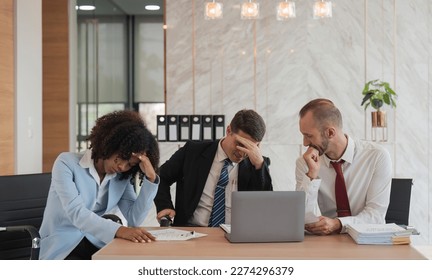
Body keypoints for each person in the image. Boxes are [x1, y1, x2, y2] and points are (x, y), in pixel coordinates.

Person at [39, 110, 160, 260]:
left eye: (130, 164)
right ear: (109, 144)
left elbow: (134, 218)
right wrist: (119, 230)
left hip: (96, 242)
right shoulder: (66, 163)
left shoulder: (120, 177)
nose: (122, 166)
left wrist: (150, 178)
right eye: (121, 158)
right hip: (63, 244)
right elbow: (77, 214)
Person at [154, 109, 273, 226]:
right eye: (240, 144)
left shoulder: (258, 165)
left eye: (250, 147)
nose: (242, 153)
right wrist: (164, 206)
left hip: (236, 234)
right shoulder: (193, 152)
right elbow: (161, 177)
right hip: (193, 231)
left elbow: (266, 206)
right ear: (228, 130)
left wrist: (259, 165)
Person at [295, 98, 392, 235]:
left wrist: (338, 224)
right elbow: (302, 218)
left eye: (309, 136)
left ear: (330, 133)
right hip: (330, 244)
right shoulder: (305, 162)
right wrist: (311, 176)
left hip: (369, 239)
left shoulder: (377, 156)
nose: (305, 143)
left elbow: (376, 215)